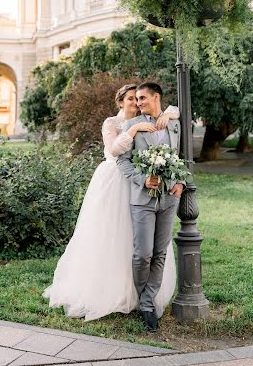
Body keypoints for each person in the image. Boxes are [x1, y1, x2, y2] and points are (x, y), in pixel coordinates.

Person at [43, 83, 180, 322]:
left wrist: (168, 113)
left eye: (138, 99)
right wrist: (134, 129)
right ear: (120, 102)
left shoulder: (147, 120)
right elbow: (114, 150)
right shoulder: (114, 123)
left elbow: (175, 112)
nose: (135, 103)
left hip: (144, 188)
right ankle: (114, 290)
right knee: (114, 238)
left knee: (137, 242)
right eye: (130, 99)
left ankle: (142, 298)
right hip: (114, 184)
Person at [117, 82, 183, 332]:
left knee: (160, 253)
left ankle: (147, 303)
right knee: (142, 254)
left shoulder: (174, 123)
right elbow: (121, 162)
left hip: (169, 199)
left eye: (143, 98)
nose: (139, 102)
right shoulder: (132, 126)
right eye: (137, 99)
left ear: (157, 98)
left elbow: (182, 156)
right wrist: (143, 179)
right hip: (142, 199)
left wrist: (181, 183)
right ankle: (141, 295)